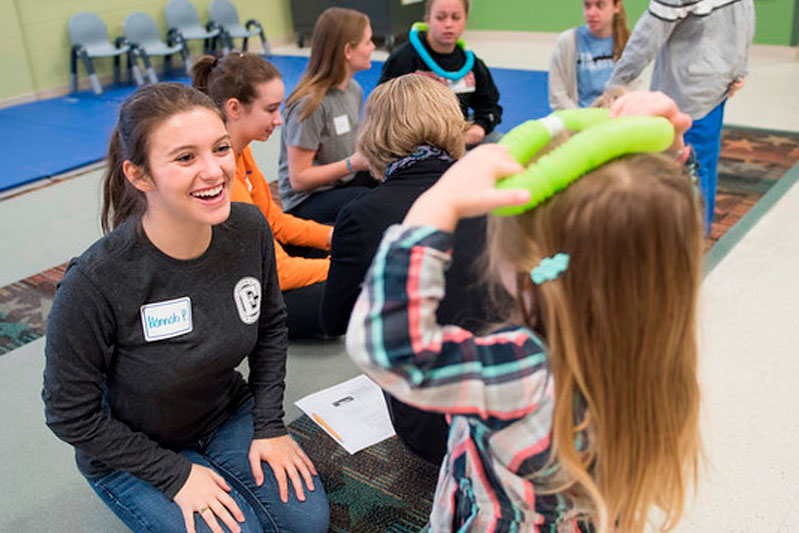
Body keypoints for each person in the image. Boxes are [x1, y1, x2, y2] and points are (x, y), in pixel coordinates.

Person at [346, 92, 703, 531]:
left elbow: (391, 346)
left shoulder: (525, 373)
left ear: (526, 265)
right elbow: (666, 221)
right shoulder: (657, 351)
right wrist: (673, 155)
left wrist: (438, 205)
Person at [42, 83, 329, 533]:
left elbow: (271, 325)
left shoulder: (248, 227)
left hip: (223, 414)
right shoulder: (95, 282)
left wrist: (269, 424)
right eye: (185, 158)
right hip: (130, 451)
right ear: (139, 176)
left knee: (307, 523)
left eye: (219, 148)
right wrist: (174, 475)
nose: (214, 171)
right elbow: (69, 413)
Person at [321, 74, 496, 465]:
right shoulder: (496, 191)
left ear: (375, 136)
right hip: (513, 399)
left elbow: (334, 320)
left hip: (434, 430)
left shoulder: (362, 214)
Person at [192, 52, 332, 339]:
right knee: (343, 287)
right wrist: (348, 264)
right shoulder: (219, 171)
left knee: (331, 251)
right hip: (236, 287)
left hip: (259, 267)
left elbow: (274, 221)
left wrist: (333, 237)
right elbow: (280, 272)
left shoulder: (241, 150)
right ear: (234, 108)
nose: (279, 120)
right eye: (271, 109)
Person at [607, 0, 755, 233]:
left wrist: (615, 86)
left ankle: (685, 245)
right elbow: (745, 11)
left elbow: (649, 35)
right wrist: (739, 69)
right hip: (718, 83)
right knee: (703, 165)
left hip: (687, 91)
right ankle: (697, 238)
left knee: (681, 171)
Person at [278, 7, 377, 225]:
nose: (373, 47)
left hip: (341, 182)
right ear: (348, 51)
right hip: (306, 200)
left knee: (393, 181)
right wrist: (354, 163)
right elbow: (299, 179)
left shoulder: (354, 89)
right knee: (369, 202)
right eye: (368, 42)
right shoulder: (310, 104)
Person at [378, 0, 502, 146]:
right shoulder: (404, 58)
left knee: (503, 147)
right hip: (418, 141)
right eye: (440, 17)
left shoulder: (471, 62)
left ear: (465, 20)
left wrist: (480, 126)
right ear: (427, 19)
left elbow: (489, 105)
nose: (449, 24)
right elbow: (384, 108)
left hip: (460, 136)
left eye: (456, 17)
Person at [549, 0, 631, 110]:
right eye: (587, 5)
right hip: (576, 122)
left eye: (600, 5)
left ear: (617, 6)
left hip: (614, 120)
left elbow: (631, 94)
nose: (591, 13)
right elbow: (557, 96)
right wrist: (581, 121)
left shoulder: (629, 44)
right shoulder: (567, 41)